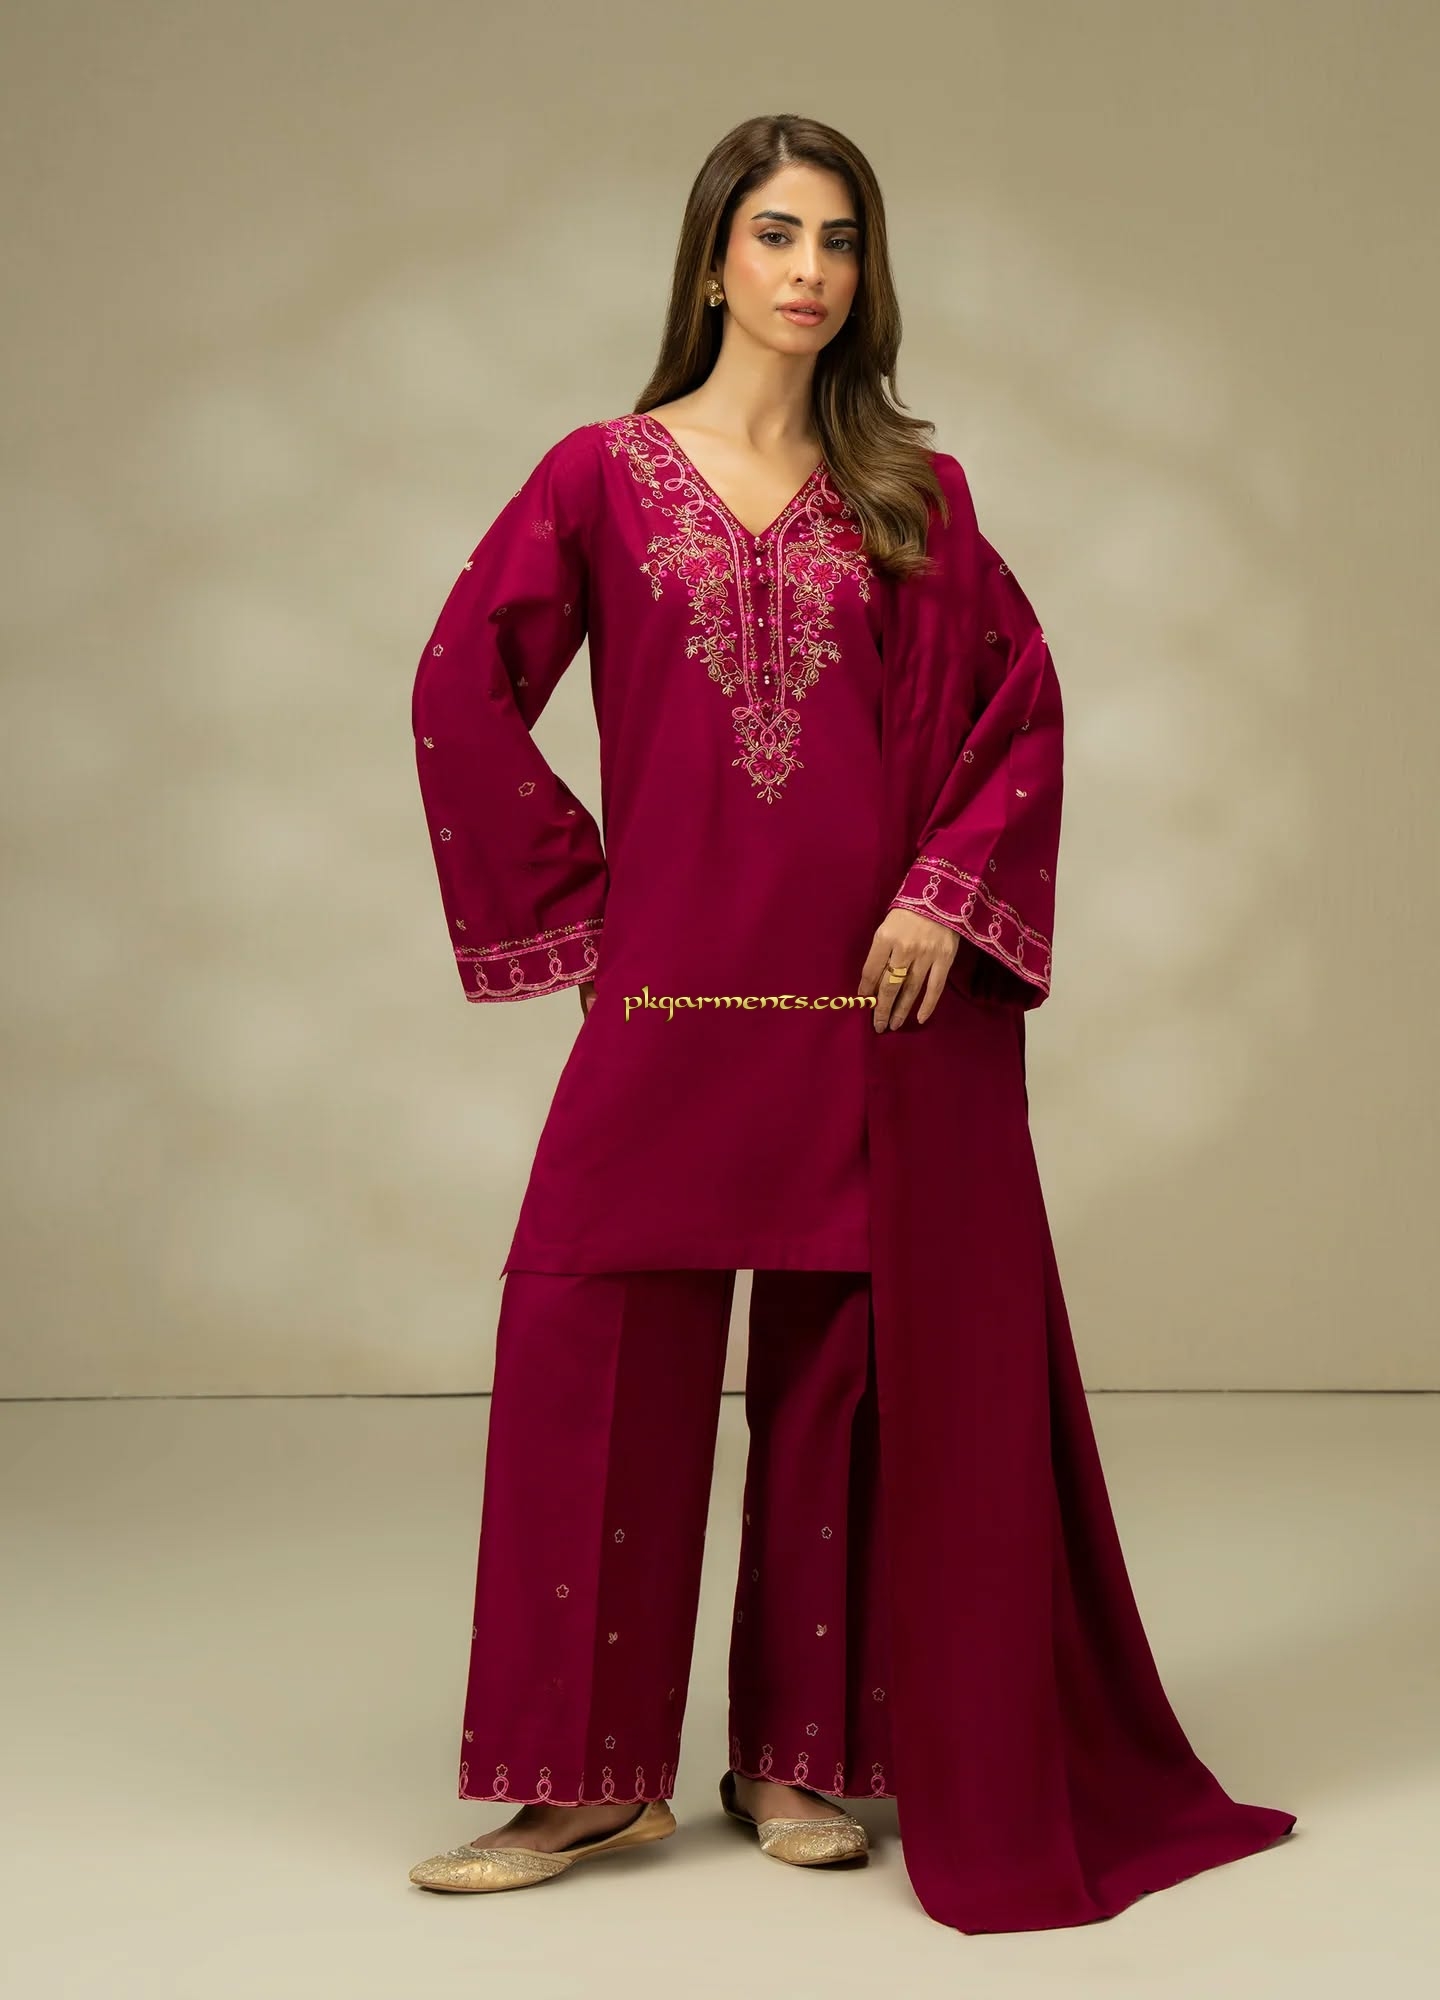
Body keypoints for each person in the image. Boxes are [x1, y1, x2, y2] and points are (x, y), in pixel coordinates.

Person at [404, 112, 1297, 1933]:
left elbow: (1021, 707)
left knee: (842, 1379)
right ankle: (585, 1779)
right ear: (710, 259)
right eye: (777, 235)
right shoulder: (599, 476)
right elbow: (457, 686)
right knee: (594, 1349)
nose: (810, 272)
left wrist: (940, 896)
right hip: (672, 992)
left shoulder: (911, 498)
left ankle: (797, 1755)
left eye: (841, 241)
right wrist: (573, 909)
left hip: (863, 1009)